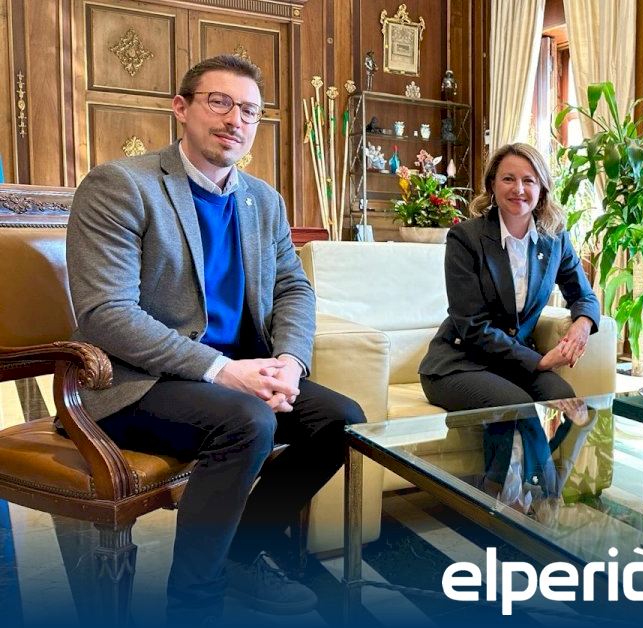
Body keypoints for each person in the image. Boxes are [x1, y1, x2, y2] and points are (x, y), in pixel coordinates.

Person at [66, 55, 366, 622]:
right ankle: (194, 604)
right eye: (220, 102)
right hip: (134, 381)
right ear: (181, 108)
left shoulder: (263, 200)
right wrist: (223, 370)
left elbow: (294, 289)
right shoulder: (122, 185)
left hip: (236, 374)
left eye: (249, 110)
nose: (235, 120)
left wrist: (289, 362)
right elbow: (107, 313)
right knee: (246, 421)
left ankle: (239, 558)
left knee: (341, 420)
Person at [419, 143, 601, 411]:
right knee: (515, 408)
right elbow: (472, 325)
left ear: (542, 189)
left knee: (569, 404)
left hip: (514, 362)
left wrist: (582, 326)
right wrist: (538, 361)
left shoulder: (555, 239)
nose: (518, 189)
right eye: (508, 179)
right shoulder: (465, 238)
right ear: (492, 185)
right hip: (460, 361)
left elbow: (583, 295)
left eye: (529, 180)